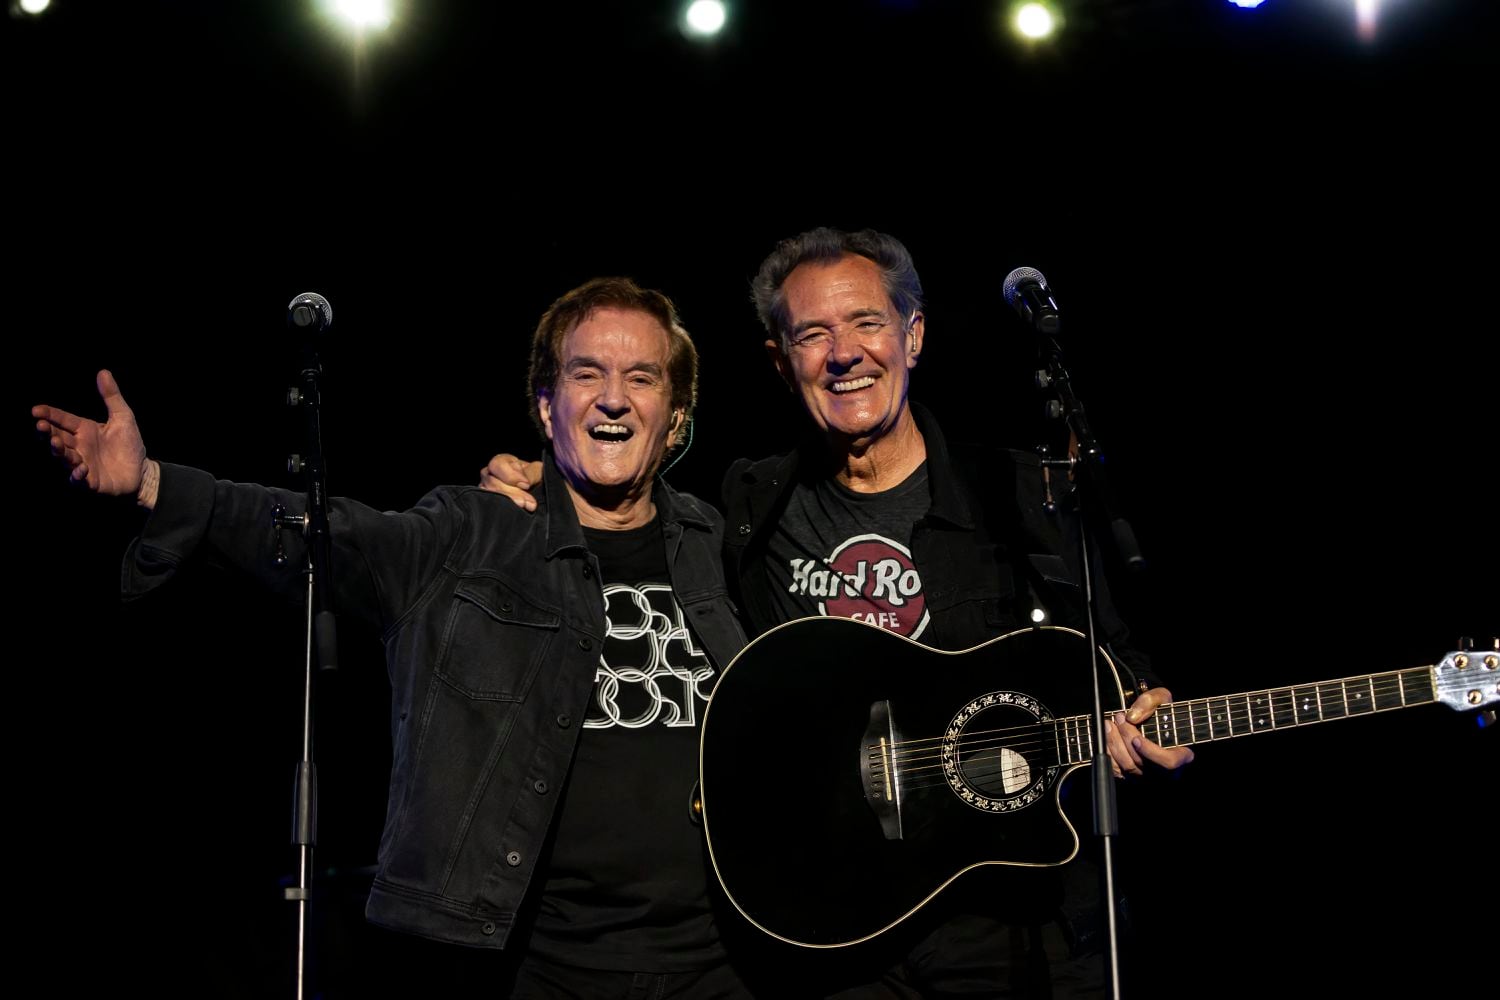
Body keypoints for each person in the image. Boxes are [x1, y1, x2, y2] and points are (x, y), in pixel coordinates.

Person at [481, 228, 1194, 997]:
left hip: (1015, 925)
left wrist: (1143, 711)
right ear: (781, 363)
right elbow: (625, 506)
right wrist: (539, 478)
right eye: (813, 334)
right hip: (835, 933)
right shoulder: (747, 509)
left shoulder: (1021, 494)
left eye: (865, 324)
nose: (844, 353)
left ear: (912, 336)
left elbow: (1120, 667)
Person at [33, 277, 761, 998]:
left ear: (674, 419)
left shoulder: (723, 542)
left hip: (718, 961)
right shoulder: (471, 533)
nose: (612, 397)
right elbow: (325, 534)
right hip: (532, 967)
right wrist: (154, 483)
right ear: (546, 407)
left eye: (641, 377)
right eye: (586, 373)